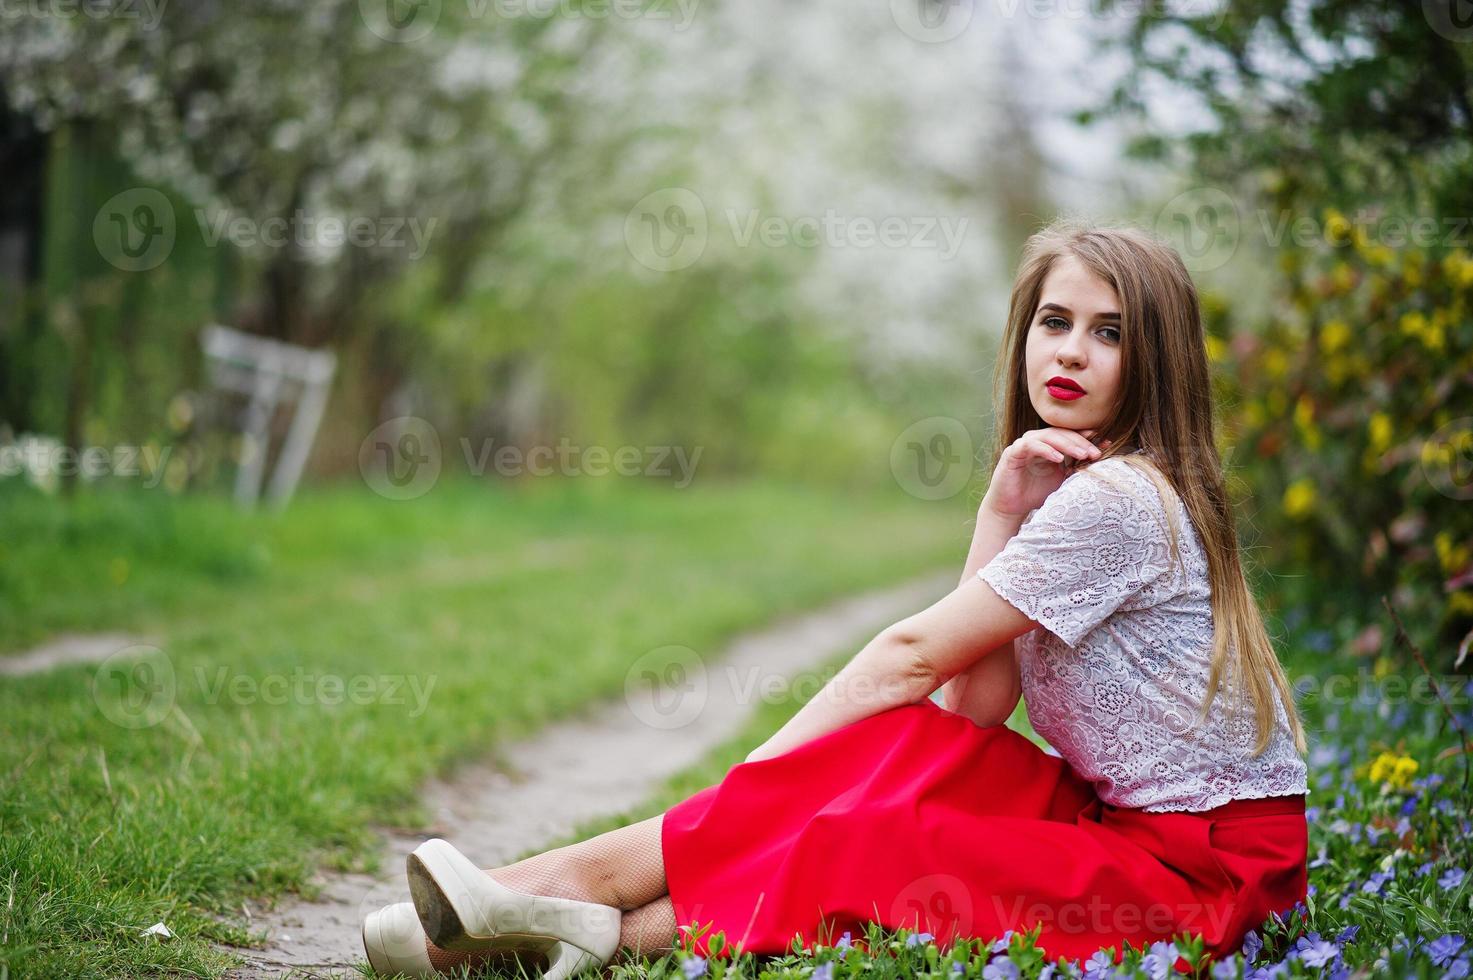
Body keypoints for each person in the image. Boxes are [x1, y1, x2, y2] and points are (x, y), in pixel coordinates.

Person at [360, 217, 1311, 978]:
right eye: (1053, 322)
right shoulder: (1076, 486)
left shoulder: (1118, 499)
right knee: (912, 752)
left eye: (1109, 334)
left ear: (1156, 363)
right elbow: (970, 709)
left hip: (1204, 883)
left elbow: (912, 659)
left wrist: (750, 788)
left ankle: (528, 905)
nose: (1070, 353)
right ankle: (533, 918)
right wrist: (1000, 507)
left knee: (877, 840)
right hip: (1131, 836)